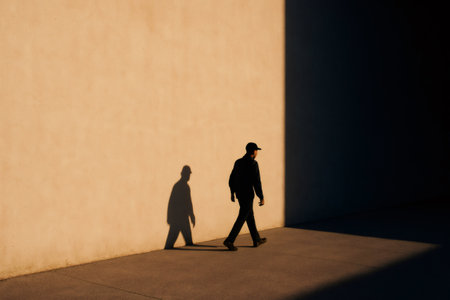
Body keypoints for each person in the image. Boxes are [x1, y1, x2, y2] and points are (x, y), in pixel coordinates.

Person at [223, 142, 267, 251]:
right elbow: (257, 182)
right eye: (256, 150)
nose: (257, 152)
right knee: (242, 216)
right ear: (253, 151)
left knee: (249, 215)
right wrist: (261, 196)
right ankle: (230, 240)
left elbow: (231, 178)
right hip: (248, 194)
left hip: (239, 194)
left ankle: (256, 239)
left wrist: (232, 192)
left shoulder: (238, 162)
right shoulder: (253, 164)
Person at [164, 165, 196, 249]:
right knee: (170, 244)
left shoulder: (183, 186)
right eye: (188, 174)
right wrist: (191, 216)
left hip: (181, 218)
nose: (189, 176)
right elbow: (172, 203)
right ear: (183, 174)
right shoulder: (179, 186)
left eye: (189, 174)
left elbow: (188, 203)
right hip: (178, 219)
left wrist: (191, 216)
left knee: (187, 242)